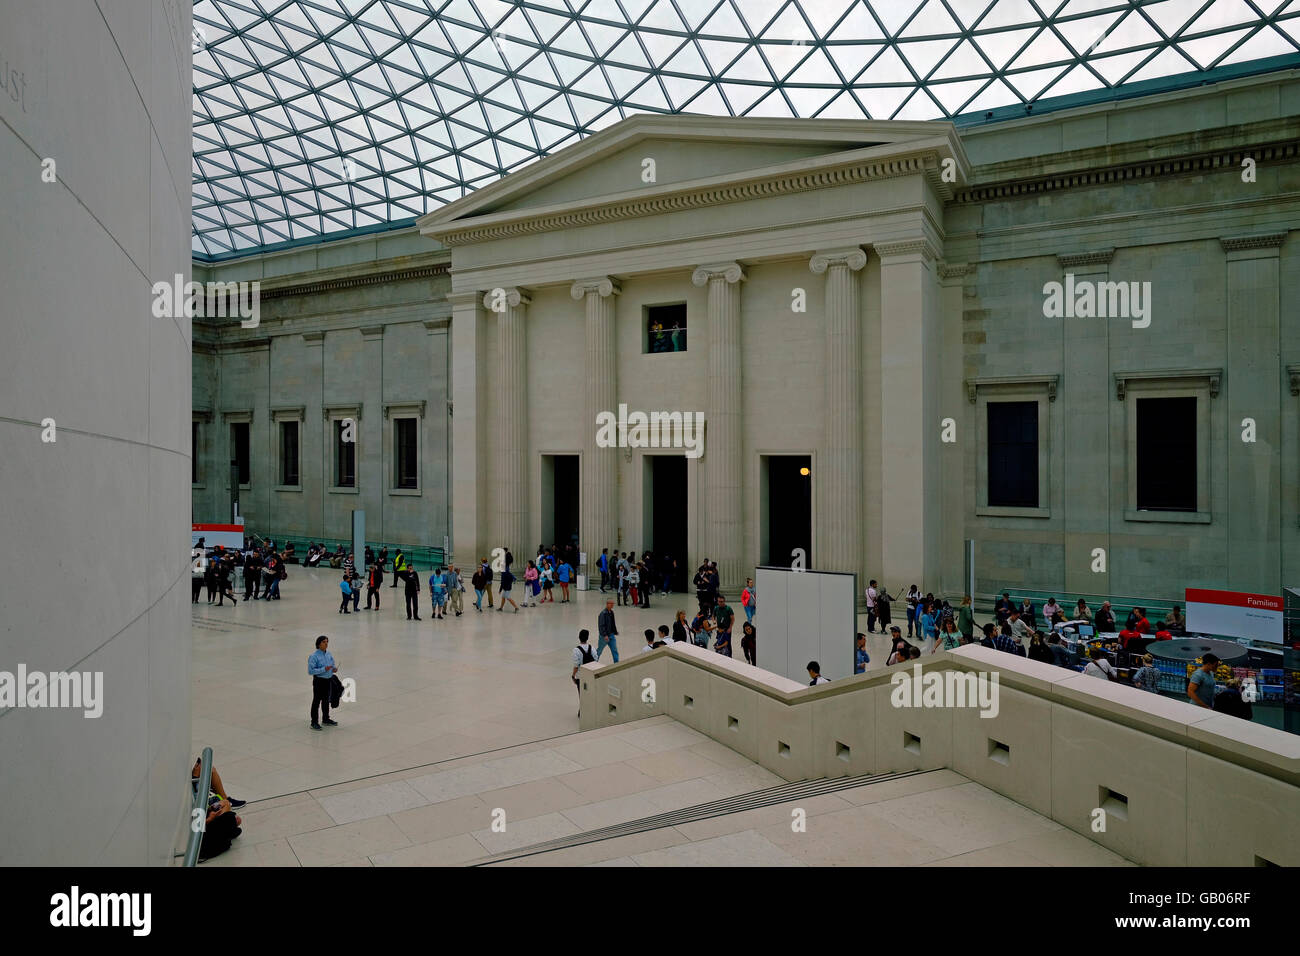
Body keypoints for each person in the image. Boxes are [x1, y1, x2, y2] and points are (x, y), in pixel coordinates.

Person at [307, 635, 338, 730]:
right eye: (324, 642)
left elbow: (332, 664)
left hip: (328, 681)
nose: (326, 644)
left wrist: (333, 669)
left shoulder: (328, 654)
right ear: (319, 644)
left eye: (327, 642)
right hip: (319, 681)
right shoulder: (314, 656)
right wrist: (323, 669)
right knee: (316, 701)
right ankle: (314, 722)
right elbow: (311, 671)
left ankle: (325, 719)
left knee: (326, 701)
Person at [572, 629, 595, 716]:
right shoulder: (592, 648)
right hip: (590, 674)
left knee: (581, 694)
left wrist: (573, 676)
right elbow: (596, 659)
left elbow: (576, 665)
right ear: (587, 638)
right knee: (589, 693)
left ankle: (582, 711)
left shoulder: (576, 650)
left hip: (580, 677)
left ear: (579, 638)